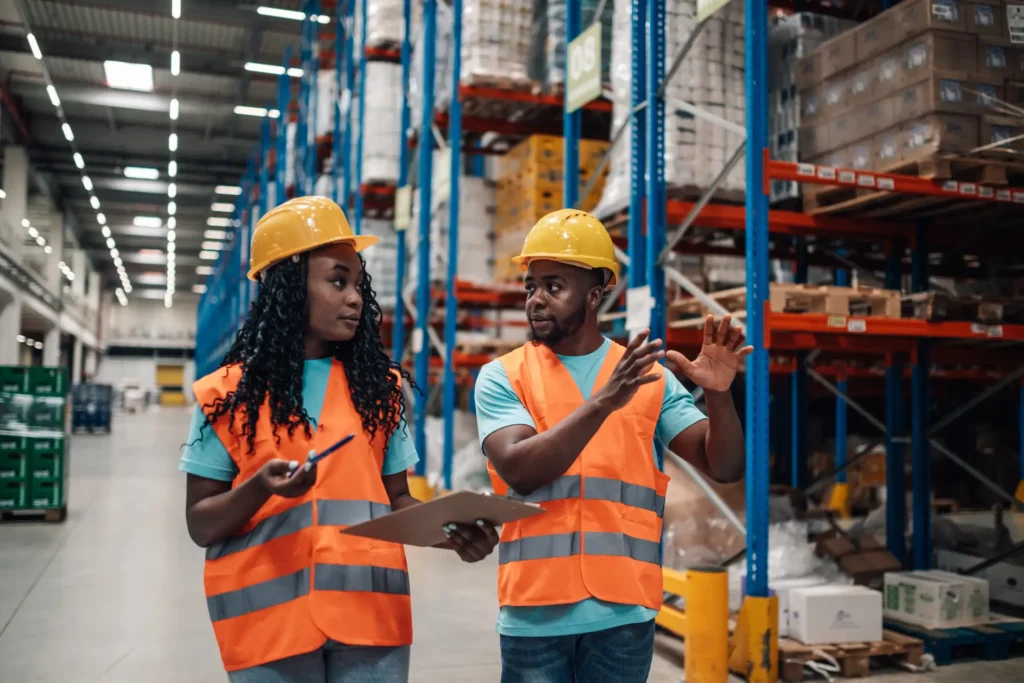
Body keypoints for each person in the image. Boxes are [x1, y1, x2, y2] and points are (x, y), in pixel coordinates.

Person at [180, 196, 498, 682]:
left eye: (357, 283)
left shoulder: (379, 389)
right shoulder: (225, 395)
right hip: (267, 629)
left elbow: (395, 501)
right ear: (287, 288)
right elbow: (201, 525)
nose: (355, 298)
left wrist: (450, 534)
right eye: (337, 281)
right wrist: (261, 487)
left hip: (370, 624)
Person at [475, 209, 750, 683]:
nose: (536, 300)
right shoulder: (503, 376)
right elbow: (520, 468)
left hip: (624, 615)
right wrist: (604, 401)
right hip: (534, 612)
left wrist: (720, 396)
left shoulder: (647, 376)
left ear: (596, 294)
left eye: (554, 286)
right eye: (531, 287)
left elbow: (724, 466)